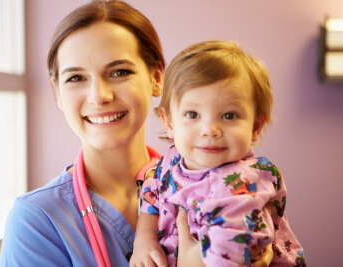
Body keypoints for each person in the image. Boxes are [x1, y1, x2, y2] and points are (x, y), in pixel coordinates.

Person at [0, 1, 273, 266]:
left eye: (119, 72)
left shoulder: (222, 179)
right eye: (76, 78)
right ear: (58, 93)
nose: (99, 96)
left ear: (156, 78)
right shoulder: (36, 221)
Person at [130, 41, 306, 267]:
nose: (210, 130)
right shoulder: (170, 162)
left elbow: (229, 249)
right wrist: (144, 241)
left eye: (229, 116)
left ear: (255, 127)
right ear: (169, 122)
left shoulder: (246, 180)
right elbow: (151, 196)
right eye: (193, 114)